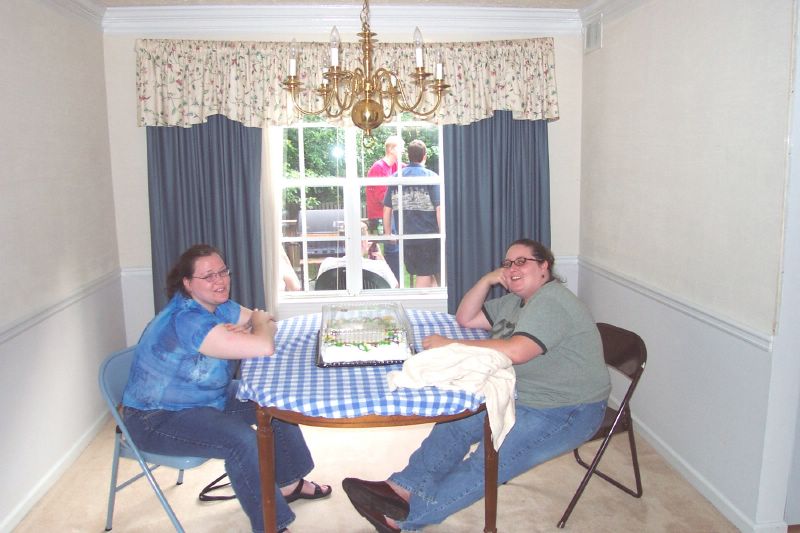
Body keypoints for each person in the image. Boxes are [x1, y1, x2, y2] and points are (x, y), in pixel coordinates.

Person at [342, 239, 611, 532]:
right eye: (507, 263)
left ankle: (405, 518)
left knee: (487, 461)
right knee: (455, 424)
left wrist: (451, 344)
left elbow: (518, 350)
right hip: (519, 394)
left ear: (545, 265)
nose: (512, 269)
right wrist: (488, 279)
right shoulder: (516, 301)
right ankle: (400, 489)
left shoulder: (552, 301)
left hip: (566, 410)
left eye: (522, 261)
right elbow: (465, 317)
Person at [121, 244, 331, 533]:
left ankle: (289, 483)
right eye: (208, 276)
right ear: (187, 283)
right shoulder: (187, 319)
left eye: (222, 272)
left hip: (207, 396)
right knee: (241, 441)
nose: (219, 281)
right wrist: (254, 328)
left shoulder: (218, 305)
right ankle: (273, 525)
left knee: (272, 402)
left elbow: (265, 320)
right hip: (156, 417)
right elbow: (264, 343)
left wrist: (254, 326)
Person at [382, 139, 441, 288]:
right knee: (425, 273)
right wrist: (442, 232)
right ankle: (419, 307)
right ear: (425, 156)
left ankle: (430, 306)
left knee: (428, 273)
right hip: (427, 236)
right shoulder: (431, 177)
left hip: (406, 236)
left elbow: (387, 209)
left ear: (408, 156)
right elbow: (439, 207)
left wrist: (388, 233)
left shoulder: (396, 178)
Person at [317, 222, 399, 288]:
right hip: (371, 308)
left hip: (338, 307)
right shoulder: (379, 267)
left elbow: (319, 289)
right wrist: (382, 261)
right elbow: (395, 289)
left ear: (345, 241)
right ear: (363, 242)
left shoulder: (327, 264)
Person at [367, 135, 404, 279]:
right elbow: (382, 197)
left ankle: (394, 280)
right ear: (391, 149)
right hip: (379, 216)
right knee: (386, 250)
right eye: (400, 148)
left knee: (393, 248)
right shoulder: (379, 168)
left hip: (390, 214)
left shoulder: (396, 166)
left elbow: (409, 170)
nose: (403, 151)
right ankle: (387, 281)